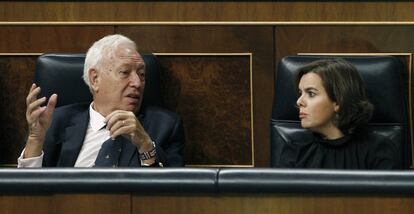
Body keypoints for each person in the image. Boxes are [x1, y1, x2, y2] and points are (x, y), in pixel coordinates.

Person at [18, 34, 185, 167]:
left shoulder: (165, 126)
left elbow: (173, 192)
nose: (137, 83)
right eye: (125, 72)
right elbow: (27, 192)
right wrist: (35, 139)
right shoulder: (56, 122)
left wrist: (146, 146)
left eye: (142, 75)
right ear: (95, 79)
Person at [275, 58, 399, 169]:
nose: (299, 101)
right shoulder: (295, 148)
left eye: (311, 93)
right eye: (300, 93)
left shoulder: (378, 150)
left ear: (338, 101)